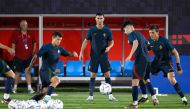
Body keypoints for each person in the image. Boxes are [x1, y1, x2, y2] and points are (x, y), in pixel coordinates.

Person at [26, 31, 78, 102]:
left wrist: (73, 54)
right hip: (45, 70)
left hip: (51, 72)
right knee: (57, 80)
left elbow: (67, 53)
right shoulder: (46, 47)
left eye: (60, 40)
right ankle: (47, 98)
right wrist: (30, 66)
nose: (59, 41)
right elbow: (36, 56)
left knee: (43, 93)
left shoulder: (59, 49)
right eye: (57, 39)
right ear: (53, 38)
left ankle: (29, 102)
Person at [145, 25, 188, 105]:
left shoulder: (165, 41)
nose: (151, 34)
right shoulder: (149, 41)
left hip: (166, 62)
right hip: (156, 62)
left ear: (158, 32)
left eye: (153, 33)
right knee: (145, 76)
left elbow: (176, 53)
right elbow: (146, 50)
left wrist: (178, 66)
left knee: (172, 80)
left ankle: (184, 99)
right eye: (150, 33)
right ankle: (154, 98)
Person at [79, 13, 117, 101]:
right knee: (93, 75)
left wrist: (109, 47)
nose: (99, 20)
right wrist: (81, 52)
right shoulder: (92, 30)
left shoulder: (107, 30)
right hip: (94, 56)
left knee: (107, 74)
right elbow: (85, 41)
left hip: (104, 56)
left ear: (104, 19)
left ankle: (110, 95)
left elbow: (112, 42)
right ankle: (90, 96)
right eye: (98, 18)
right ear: (95, 19)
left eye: (101, 18)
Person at [122, 20, 159, 108]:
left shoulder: (131, 34)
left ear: (129, 28)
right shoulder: (140, 34)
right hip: (147, 60)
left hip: (140, 60)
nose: (125, 32)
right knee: (146, 80)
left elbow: (135, 43)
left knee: (135, 82)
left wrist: (130, 55)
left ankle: (135, 104)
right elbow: (149, 46)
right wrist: (144, 51)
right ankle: (153, 98)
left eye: (125, 30)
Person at [12, 20, 36, 94]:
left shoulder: (31, 34)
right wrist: (13, 51)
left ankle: (29, 88)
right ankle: (15, 88)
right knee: (17, 72)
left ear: (27, 25)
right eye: (23, 25)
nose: (24, 26)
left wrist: (33, 52)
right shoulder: (16, 34)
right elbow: (13, 43)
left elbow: (34, 43)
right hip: (18, 56)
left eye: (25, 25)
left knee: (27, 71)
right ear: (20, 26)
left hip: (28, 57)